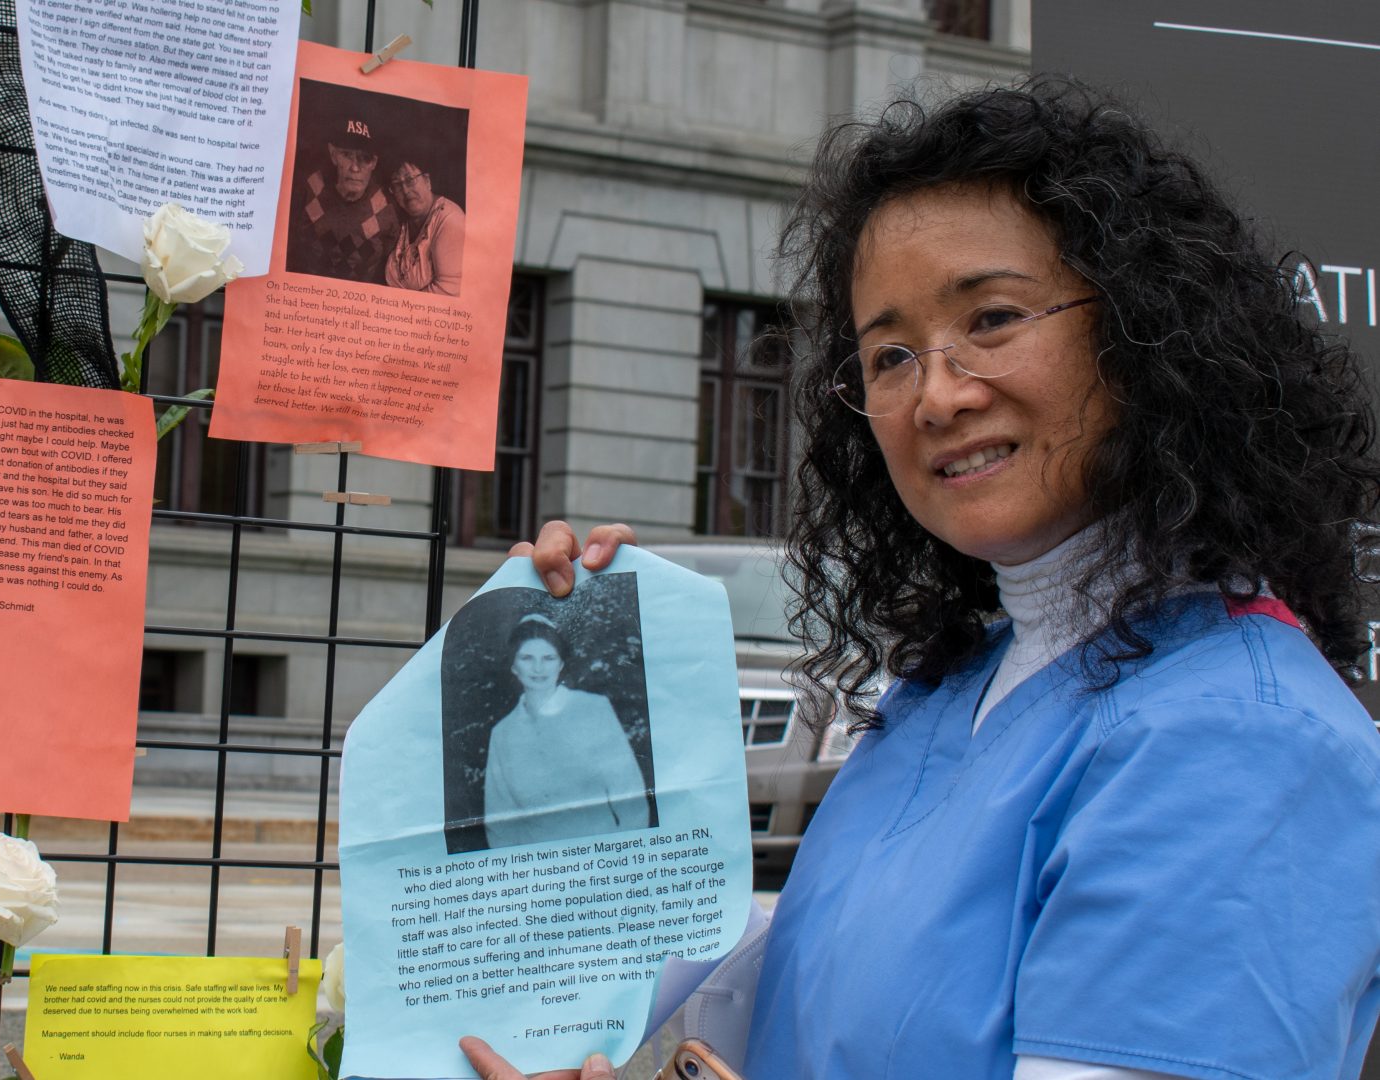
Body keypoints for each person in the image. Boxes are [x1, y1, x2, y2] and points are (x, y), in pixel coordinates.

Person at [461, 78, 1380, 1080]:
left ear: (1148, 331)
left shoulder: (1242, 743)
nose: (936, 394)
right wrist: (574, 698)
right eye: (889, 354)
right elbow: (795, 1001)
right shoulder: (949, 690)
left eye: (991, 318)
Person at [480, 614, 649, 849]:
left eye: (548, 658)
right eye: (527, 658)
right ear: (514, 666)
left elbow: (630, 796)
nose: (538, 668)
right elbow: (499, 822)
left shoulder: (594, 710)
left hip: (603, 864)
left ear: (560, 664)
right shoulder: (502, 734)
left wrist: (625, 864)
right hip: (537, 873)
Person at [285, 115, 398, 283]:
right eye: (346, 155)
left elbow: (390, 269)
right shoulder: (310, 188)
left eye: (364, 158)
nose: (354, 167)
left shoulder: (387, 208)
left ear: (374, 163)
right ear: (333, 155)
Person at [384, 158, 466, 296]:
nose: (405, 190)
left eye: (410, 180)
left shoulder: (449, 218)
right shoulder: (403, 221)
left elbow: (449, 289)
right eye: (397, 185)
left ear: (427, 181)